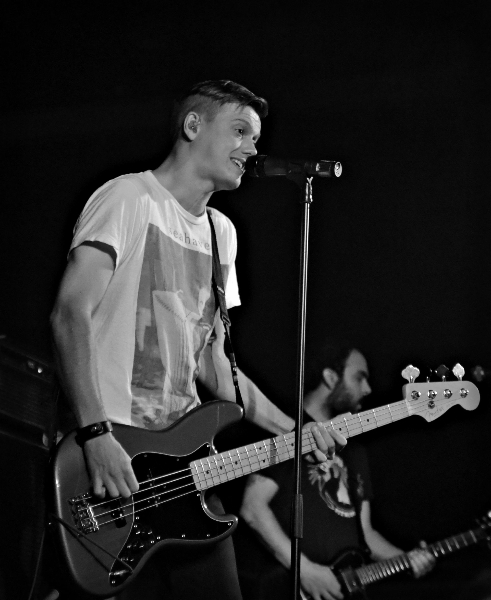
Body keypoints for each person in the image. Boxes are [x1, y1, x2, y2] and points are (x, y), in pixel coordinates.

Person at [49, 80, 345, 600]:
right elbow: (70, 314)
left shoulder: (220, 233)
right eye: (240, 131)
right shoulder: (129, 197)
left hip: (186, 474)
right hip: (114, 461)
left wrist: (296, 431)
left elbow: (216, 367)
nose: (252, 149)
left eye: (256, 138)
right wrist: (95, 435)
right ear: (192, 126)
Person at [239, 341, 435, 600]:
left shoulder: (355, 452)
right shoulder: (289, 431)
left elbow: (366, 535)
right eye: (359, 378)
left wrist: (407, 558)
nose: (368, 389)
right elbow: (253, 508)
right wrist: (305, 570)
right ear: (330, 378)